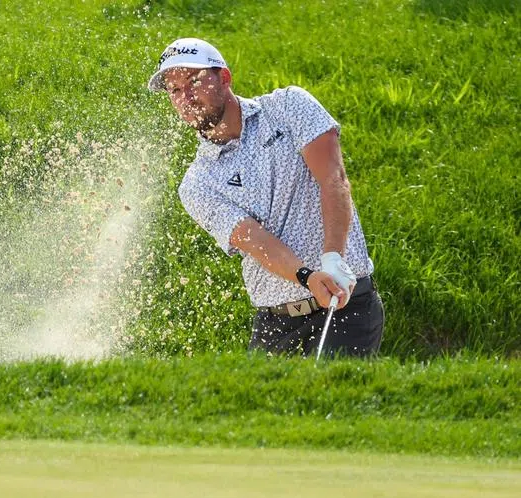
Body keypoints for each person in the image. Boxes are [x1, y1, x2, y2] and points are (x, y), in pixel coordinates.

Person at [149, 38, 384, 357]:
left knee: (327, 399)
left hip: (345, 307)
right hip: (276, 322)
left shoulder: (288, 107)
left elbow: (333, 178)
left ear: (224, 78)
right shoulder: (197, 184)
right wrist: (308, 276)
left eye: (194, 81)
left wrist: (333, 258)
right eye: (175, 90)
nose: (186, 97)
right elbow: (253, 238)